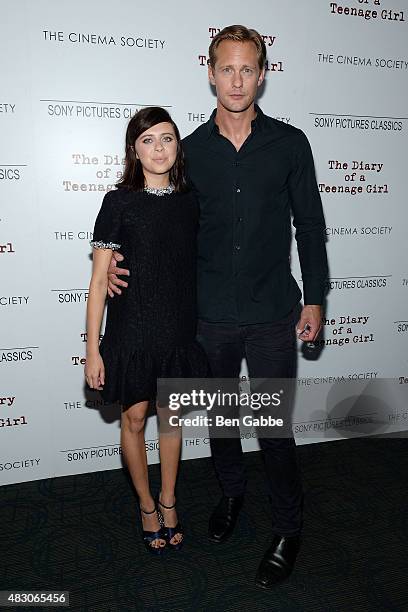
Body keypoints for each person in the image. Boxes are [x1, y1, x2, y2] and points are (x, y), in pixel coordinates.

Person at [108, 25, 329, 586]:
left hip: (274, 312)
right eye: (225, 68)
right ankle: (232, 496)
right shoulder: (189, 153)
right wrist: (111, 264)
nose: (236, 80)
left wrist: (316, 297)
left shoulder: (291, 144)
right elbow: (154, 218)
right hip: (205, 317)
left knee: (273, 427)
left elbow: (310, 225)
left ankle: (287, 527)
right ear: (209, 72)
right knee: (224, 422)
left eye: (247, 69)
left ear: (262, 74)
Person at [85, 106, 208, 554]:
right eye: (148, 140)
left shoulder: (191, 201)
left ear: (179, 146)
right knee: (135, 418)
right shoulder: (118, 201)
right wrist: (93, 350)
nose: (159, 148)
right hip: (131, 328)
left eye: (168, 138)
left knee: (171, 418)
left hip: (176, 326)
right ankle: (146, 506)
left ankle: (170, 499)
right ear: (134, 151)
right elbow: (99, 281)